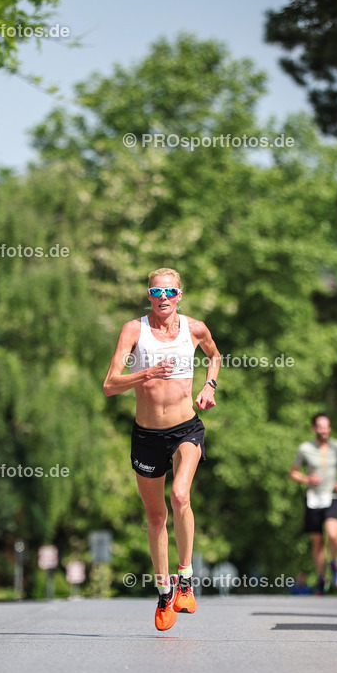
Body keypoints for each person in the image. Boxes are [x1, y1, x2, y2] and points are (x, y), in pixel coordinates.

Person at [102, 268, 220, 631]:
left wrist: (210, 386)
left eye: (170, 291)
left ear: (180, 295)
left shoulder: (195, 328)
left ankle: (186, 579)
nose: (163, 297)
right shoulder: (133, 330)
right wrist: (146, 374)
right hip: (147, 435)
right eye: (157, 291)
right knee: (156, 517)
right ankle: (164, 590)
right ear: (149, 295)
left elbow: (215, 356)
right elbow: (109, 385)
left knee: (181, 495)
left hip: (187, 428)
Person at [289, 413, 337, 595]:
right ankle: (321, 577)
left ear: (330, 428)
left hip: (332, 496)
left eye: (327, 426)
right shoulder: (305, 449)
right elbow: (293, 473)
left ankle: (334, 563)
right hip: (313, 498)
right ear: (314, 428)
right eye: (321, 427)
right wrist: (307, 479)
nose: (324, 430)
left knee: (333, 534)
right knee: (317, 542)